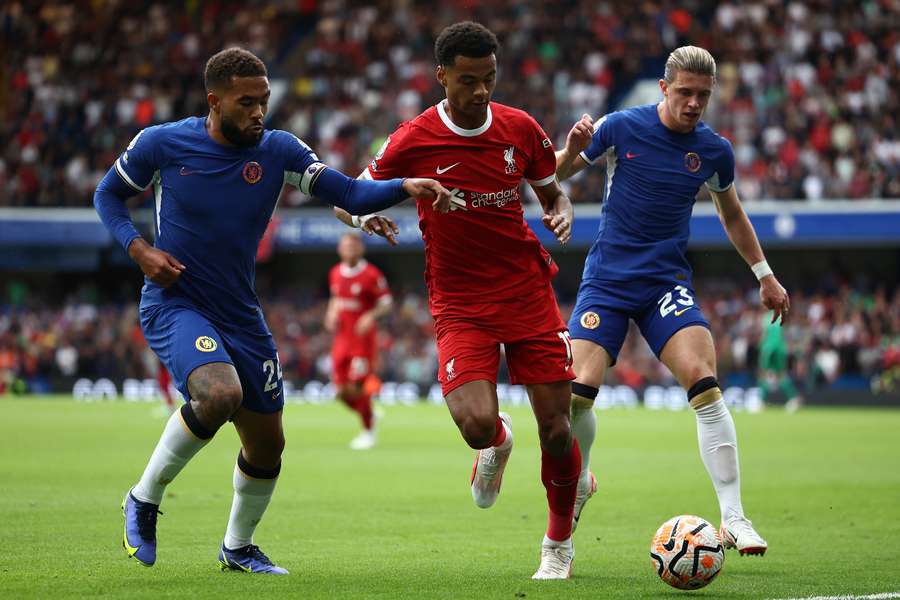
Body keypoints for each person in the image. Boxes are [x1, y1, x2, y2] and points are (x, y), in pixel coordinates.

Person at [93, 47, 450, 574]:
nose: (259, 112)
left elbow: (349, 191)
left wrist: (403, 187)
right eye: (245, 103)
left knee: (268, 446)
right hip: (177, 300)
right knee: (219, 394)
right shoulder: (162, 143)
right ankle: (143, 499)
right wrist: (139, 249)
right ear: (214, 102)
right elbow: (108, 196)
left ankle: (237, 548)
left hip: (241, 313)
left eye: (263, 101)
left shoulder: (279, 150)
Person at [345, 22, 581, 579]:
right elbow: (347, 194)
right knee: (475, 422)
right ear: (442, 76)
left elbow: (554, 191)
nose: (480, 92)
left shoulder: (521, 128)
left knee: (558, 428)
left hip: (525, 289)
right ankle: (496, 444)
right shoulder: (414, 138)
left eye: (490, 79)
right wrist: (364, 213)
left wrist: (562, 210)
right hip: (459, 299)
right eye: (468, 81)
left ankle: (558, 544)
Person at [555, 45, 790, 556]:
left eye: (702, 96)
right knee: (574, 395)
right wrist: (573, 149)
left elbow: (732, 215)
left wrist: (764, 274)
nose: (693, 104)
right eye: (684, 92)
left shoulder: (713, 150)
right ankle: (580, 480)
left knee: (704, 383)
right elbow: (556, 174)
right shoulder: (622, 127)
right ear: (664, 88)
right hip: (609, 280)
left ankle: (734, 518)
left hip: (665, 282)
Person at [325, 231, 392, 450]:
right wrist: (331, 313)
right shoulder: (335, 272)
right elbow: (336, 298)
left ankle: (368, 432)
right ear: (339, 250)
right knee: (340, 392)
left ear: (361, 249)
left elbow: (386, 304)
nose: (350, 250)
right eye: (346, 247)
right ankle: (370, 413)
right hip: (342, 340)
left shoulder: (371, 274)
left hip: (362, 341)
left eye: (354, 247)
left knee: (358, 387)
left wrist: (369, 316)